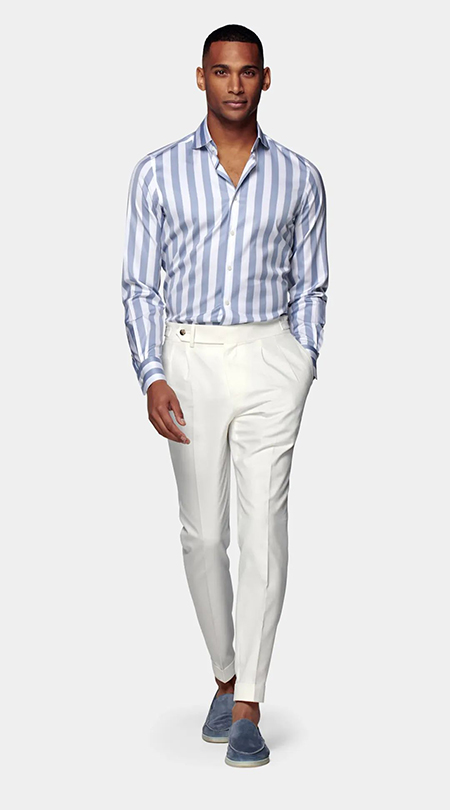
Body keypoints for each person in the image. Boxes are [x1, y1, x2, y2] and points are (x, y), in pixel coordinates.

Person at [121, 23, 329, 767]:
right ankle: (224, 672)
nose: (234, 84)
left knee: (264, 529)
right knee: (204, 536)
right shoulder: (157, 173)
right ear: (200, 77)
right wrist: (152, 373)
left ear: (266, 79)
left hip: (271, 355)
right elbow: (139, 284)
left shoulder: (300, 176)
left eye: (247, 72)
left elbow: (313, 282)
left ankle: (249, 705)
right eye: (221, 71)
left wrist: (302, 360)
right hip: (190, 359)